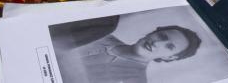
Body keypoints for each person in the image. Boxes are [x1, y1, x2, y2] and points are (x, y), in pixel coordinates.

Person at [53, 15, 201, 83]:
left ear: (170, 57)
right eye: (161, 36)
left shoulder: (134, 80)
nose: (157, 43)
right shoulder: (103, 32)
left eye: (169, 46)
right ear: (154, 32)